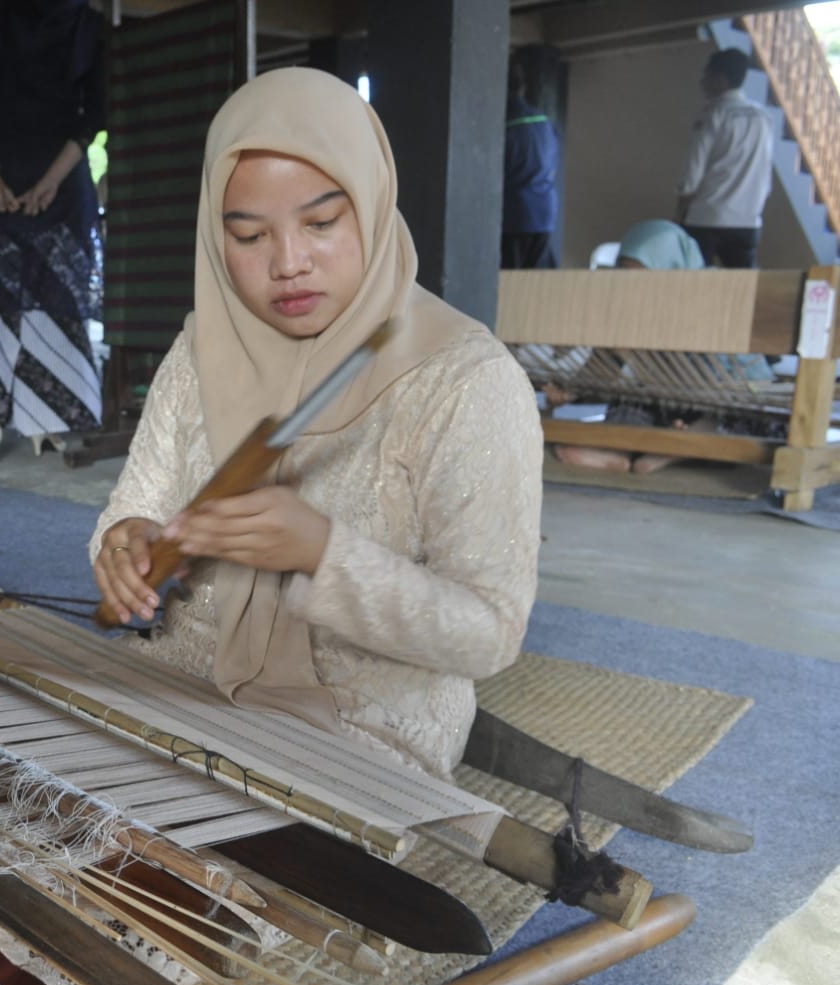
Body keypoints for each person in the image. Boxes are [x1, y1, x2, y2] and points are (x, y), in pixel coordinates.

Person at [91, 67, 543, 780]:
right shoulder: (201, 347)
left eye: (322, 223)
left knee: (205, 878)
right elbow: (135, 509)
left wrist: (322, 553)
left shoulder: (464, 380)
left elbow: (489, 634)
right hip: (177, 682)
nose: (289, 264)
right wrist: (124, 548)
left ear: (372, 202)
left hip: (356, 726)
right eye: (248, 236)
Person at [0, 0, 107, 464]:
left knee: (23, 295)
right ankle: (22, 422)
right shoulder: (85, 25)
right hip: (34, 173)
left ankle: (21, 420)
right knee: (21, 296)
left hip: (17, 172)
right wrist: (14, 180)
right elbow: (94, 114)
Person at [548, 218, 777, 475]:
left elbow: (729, 375)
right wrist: (570, 393)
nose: (635, 289)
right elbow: (602, 368)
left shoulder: (714, 298)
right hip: (673, 400)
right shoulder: (630, 314)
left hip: (729, 398)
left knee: (739, 418)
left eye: (645, 278)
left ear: (672, 269)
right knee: (633, 402)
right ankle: (618, 450)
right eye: (625, 276)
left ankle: (675, 446)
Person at [677, 49, 774, 268]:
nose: (702, 81)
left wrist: (680, 211)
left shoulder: (713, 114)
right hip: (748, 220)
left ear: (720, 78)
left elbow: (693, 171)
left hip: (706, 217)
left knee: (692, 284)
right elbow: (765, 174)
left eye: (706, 75)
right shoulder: (763, 117)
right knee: (743, 288)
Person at [501, 59, 560, 269]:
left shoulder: (501, 122)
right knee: (536, 284)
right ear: (522, 86)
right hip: (545, 212)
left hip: (513, 215)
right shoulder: (543, 121)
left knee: (509, 285)